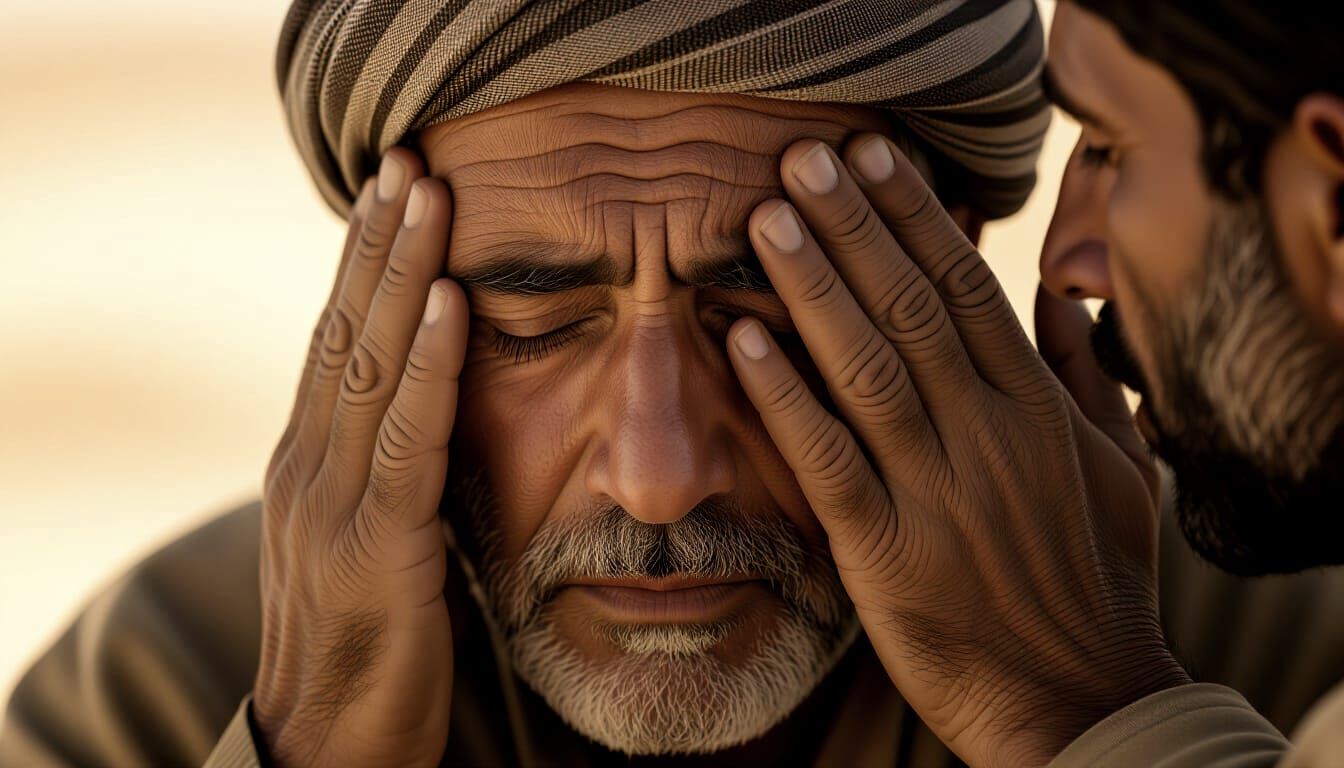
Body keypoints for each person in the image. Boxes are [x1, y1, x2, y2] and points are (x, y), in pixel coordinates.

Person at [3, 3, 1343, 768]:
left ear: (951, 289)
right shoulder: (155, 697)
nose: (659, 470)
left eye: (772, 307)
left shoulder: (1282, 639)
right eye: (535, 318)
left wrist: (1093, 717)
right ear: (378, 313)